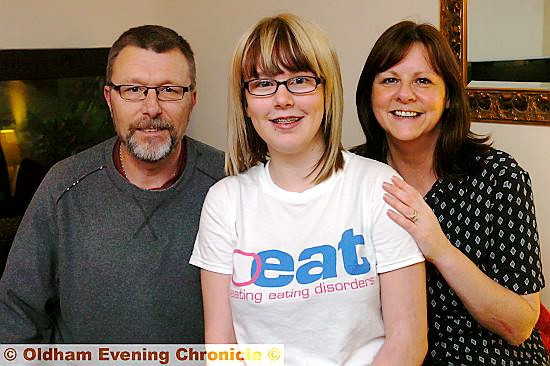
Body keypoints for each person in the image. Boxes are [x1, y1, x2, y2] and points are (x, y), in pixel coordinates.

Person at [190, 13, 427, 365]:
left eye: (300, 80)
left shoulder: (379, 187)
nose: (282, 99)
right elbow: (222, 345)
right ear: (245, 102)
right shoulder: (224, 201)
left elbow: (408, 340)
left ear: (326, 90)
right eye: (262, 83)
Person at [0, 25, 225, 343]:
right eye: (133, 89)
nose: (151, 108)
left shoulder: (229, 185)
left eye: (169, 90)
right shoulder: (64, 186)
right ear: (109, 98)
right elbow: (13, 315)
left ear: (192, 100)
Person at [352, 20, 548, 365]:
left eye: (423, 80)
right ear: (370, 94)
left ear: (448, 98)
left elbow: (520, 325)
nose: (405, 95)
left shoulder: (498, 176)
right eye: (389, 80)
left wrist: (439, 248)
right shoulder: (350, 176)